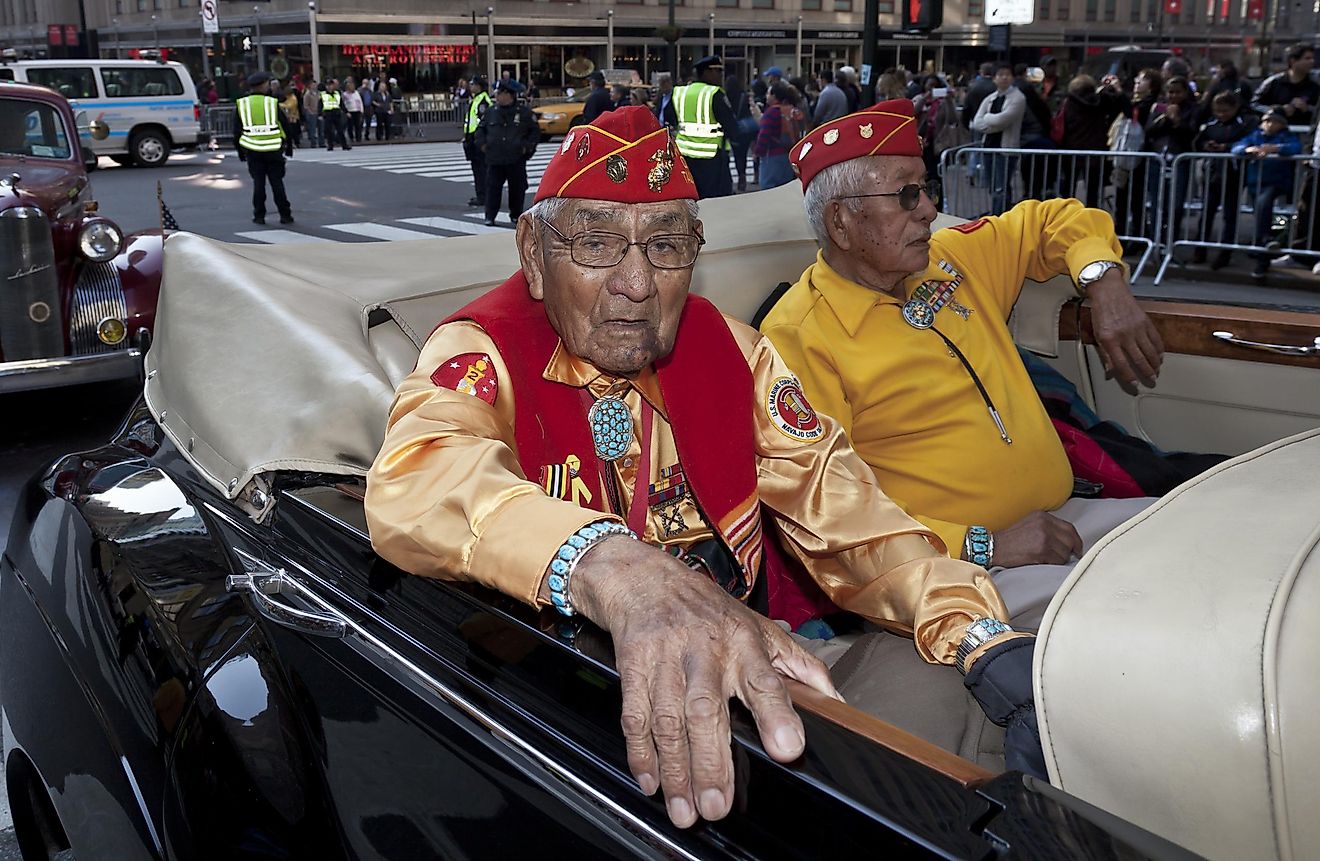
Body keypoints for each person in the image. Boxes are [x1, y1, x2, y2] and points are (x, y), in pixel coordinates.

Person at [366, 105, 1045, 831]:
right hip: (548, 705)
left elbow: (851, 516)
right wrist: (613, 566)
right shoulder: (484, 351)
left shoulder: (736, 357)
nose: (637, 282)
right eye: (596, 243)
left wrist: (972, 629)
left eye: (666, 247)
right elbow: (419, 476)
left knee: (968, 701)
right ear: (533, 252)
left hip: (754, 672)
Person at [761, 99, 1165, 628]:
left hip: (1069, 519)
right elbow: (833, 515)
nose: (928, 209)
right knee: (1157, 617)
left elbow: (1055, 219)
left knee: (1207, 549)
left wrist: (1103, 281)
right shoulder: (800, 338)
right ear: (841, 221)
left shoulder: (952, 260)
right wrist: (982, 545)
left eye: (926, 189)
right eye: (907, 195)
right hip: (963, 572)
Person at [1232, 108, 1303, 279]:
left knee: (1264, 207)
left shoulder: (1286, 136)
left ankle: (1263, 248)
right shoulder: (1255, 136)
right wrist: (1248, 150)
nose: (1269, 125)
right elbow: (1237, 147)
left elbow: (1296, 147)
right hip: (1255, 183)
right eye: (1267, 121)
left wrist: (1276, 148)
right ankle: (1263, 247)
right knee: (1261, 217)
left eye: (1274, 121)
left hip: (1276, 183)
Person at [1192, 91, 1255, 269]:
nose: (1221, 115)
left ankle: (1225, 252)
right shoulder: (1210, 124)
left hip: (1234, 175)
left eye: (1225, 111)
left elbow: (1248, 141)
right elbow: (1197, 142)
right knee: (1207, 213)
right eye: (1218, 111)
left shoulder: (1245, 123)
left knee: (1230, 214)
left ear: (1235, 108)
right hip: (1212, 174)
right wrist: (1206, 146)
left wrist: (1226, 147)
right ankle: (1200, 248)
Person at [673, 56, 739, 199]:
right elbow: (731, 126)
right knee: (714, 200)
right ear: (706, 72)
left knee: (690, 198)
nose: (721, 75)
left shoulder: (680, 92)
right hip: (712, 157)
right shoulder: (714, 93)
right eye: (717, 71)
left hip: (685, 156)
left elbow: (669, 119)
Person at [1057, 74, 1127, 209]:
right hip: (1095, 151)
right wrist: (1109, 88)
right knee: (1093, 191)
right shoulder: (1101, 101)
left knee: (1068, 188)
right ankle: (1091, 219)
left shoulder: (1069, 103)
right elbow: (1117, 105)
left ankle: (1064, 217)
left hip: (1071, 150)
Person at [234, 72, 294, 226]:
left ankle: (259, 215)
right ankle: (285, 215)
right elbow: (285, 125)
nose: (269, 86)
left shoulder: (242, 104)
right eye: (267, 83)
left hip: (253, 151)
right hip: (274, 150)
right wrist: (289, 146)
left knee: (258, 184)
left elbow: (237, 130)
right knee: (277, 184)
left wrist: (240, 151)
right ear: (262, 85)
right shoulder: (272, 103)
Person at [476, 81, 538, 227]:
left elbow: (534, 133)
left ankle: (516, 215)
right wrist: (483, 145)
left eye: (499, 94)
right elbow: (480, 130)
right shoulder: (491, 112)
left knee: (517, 188)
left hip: (515, 158)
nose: (496, 97)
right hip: (495, 158)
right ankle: (490, 215)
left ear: (508, 95)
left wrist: (527, 148)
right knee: (492, 188)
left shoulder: (523, 113)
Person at [1145, 76, 1199, 242]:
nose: (1173, 96)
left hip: (1179, 160)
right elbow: (1149, 131)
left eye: (1178, 92)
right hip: (1158, 159)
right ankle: (1155, 241)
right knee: (1157, 203)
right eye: (1170, 92)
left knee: (1175, 205)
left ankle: (1170, 241)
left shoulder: (1192, 109)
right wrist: (1163, 120)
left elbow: (1192, 133)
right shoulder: (1158, 107)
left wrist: (1177, 121)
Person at [1112, 68, 1162, 240]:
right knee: (1122, 197)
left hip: (1138, 156)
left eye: (1142, 80)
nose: (1137, 83)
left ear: (1152, 85)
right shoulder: (1135, 100)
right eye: (1136, 80)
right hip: (1125, 155)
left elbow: (1133, 114)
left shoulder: (1150, 103)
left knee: (1135, 199)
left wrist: (1119, 91)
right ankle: (1123, 234)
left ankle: (1137, 236)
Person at [969, 64, 1025, 215]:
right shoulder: (991, 98)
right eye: (1000, 74)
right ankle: (995, 214)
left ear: (1012, 77)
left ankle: (1001, 216)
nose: (1004, 77)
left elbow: (1003, 120)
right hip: (989, 146)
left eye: (1007, 74)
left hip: (1006, 149)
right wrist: (990, 123)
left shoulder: (1018, 97)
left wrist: (987, 119)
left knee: (1002, 187)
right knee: (993, 187)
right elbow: (977, 122)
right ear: (994, 78)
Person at [1251, 43, 1319, 127]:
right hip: (1274, 134)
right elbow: (1253, 105)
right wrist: (1277, 110)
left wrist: (1307, 108)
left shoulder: (1315, 85)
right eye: (1307, 58)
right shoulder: (1273, 83)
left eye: (1312, 58)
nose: (1312, 62)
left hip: (1305, 132)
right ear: (1293, 60)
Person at [752, 82, 795, 190]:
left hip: (771, 155)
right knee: (785, 189)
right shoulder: (790, 110)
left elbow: (764, 134)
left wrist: (758, 152)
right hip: (788, 154)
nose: (767, 96)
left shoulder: (771, 113)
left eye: (768, 93)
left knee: (768, 189)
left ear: (774, 97)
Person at [463, 76, 493, 207]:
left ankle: (484, 196)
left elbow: (483, 121)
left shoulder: (483, 101)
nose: (470, 86)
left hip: (479, 139)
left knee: (481, 170)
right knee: (477, 169)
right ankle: (480, 195)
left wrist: (479, 139)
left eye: (472, 84)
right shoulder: (476, 99)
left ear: (479, 86)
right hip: (472, 138)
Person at [725, 73, 755, 192]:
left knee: (736, 154)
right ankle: (743, 176)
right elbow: (749, 111)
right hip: (745, 129)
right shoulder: (744, 96)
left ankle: (739, 175)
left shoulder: (726, 97)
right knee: (743, 153)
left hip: (734, 129)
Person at [321, 78, 350, 151]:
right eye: (327, 85)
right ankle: (330, 145)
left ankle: (344, 145)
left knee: (340, 130)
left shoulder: (337, 93)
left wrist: (346, 112)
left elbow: (341, 104)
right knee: (329, 131)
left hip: (336, 113)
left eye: (330, 85)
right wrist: (320, 114)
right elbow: (320, 105)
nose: (329, 87)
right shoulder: (323, 94)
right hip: (328, 114)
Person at [279, 84, 303, 149]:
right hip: (290, 117)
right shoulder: (289, 98)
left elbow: (289, 106)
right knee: (292, 131)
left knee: (293, 131)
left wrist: (280, 105)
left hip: (293, 117)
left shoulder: (293, 98)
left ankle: (296, 143)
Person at [343, 79, 364, 144]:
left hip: (357, 111)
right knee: (350, 126)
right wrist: (346, 112)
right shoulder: (345, 94)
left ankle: (358, 138)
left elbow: (360, 101)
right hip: (350, 111)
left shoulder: (357, 93)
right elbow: (344, 104)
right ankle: (351, 138)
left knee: (358, 125)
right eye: (350, 86)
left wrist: (361, 110)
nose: (352, 88)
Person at [302, 79, 322, 148]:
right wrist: (310, 112)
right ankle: (313, 143)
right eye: (313, 85)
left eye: (315, 85)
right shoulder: (307, 94)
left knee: (321, 128)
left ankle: (321, 142)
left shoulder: (319, 93)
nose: (314, 86)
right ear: (310, 86)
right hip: (312, 113)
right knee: (312, 129)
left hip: (319, 113)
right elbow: (306, 106)